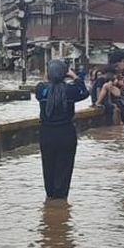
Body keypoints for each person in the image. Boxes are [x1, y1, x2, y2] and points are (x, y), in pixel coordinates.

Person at [35, 60, 90, 200]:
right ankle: (61, 201)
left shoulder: (41, 90)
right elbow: (85, 93)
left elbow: (40, 87)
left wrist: (49, 77)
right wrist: (75, 77)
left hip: (46, 135)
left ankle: (50, 200)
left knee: (48, 168)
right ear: (64, 74)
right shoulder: (70, 91)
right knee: (64, 170)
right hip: (66, 134)